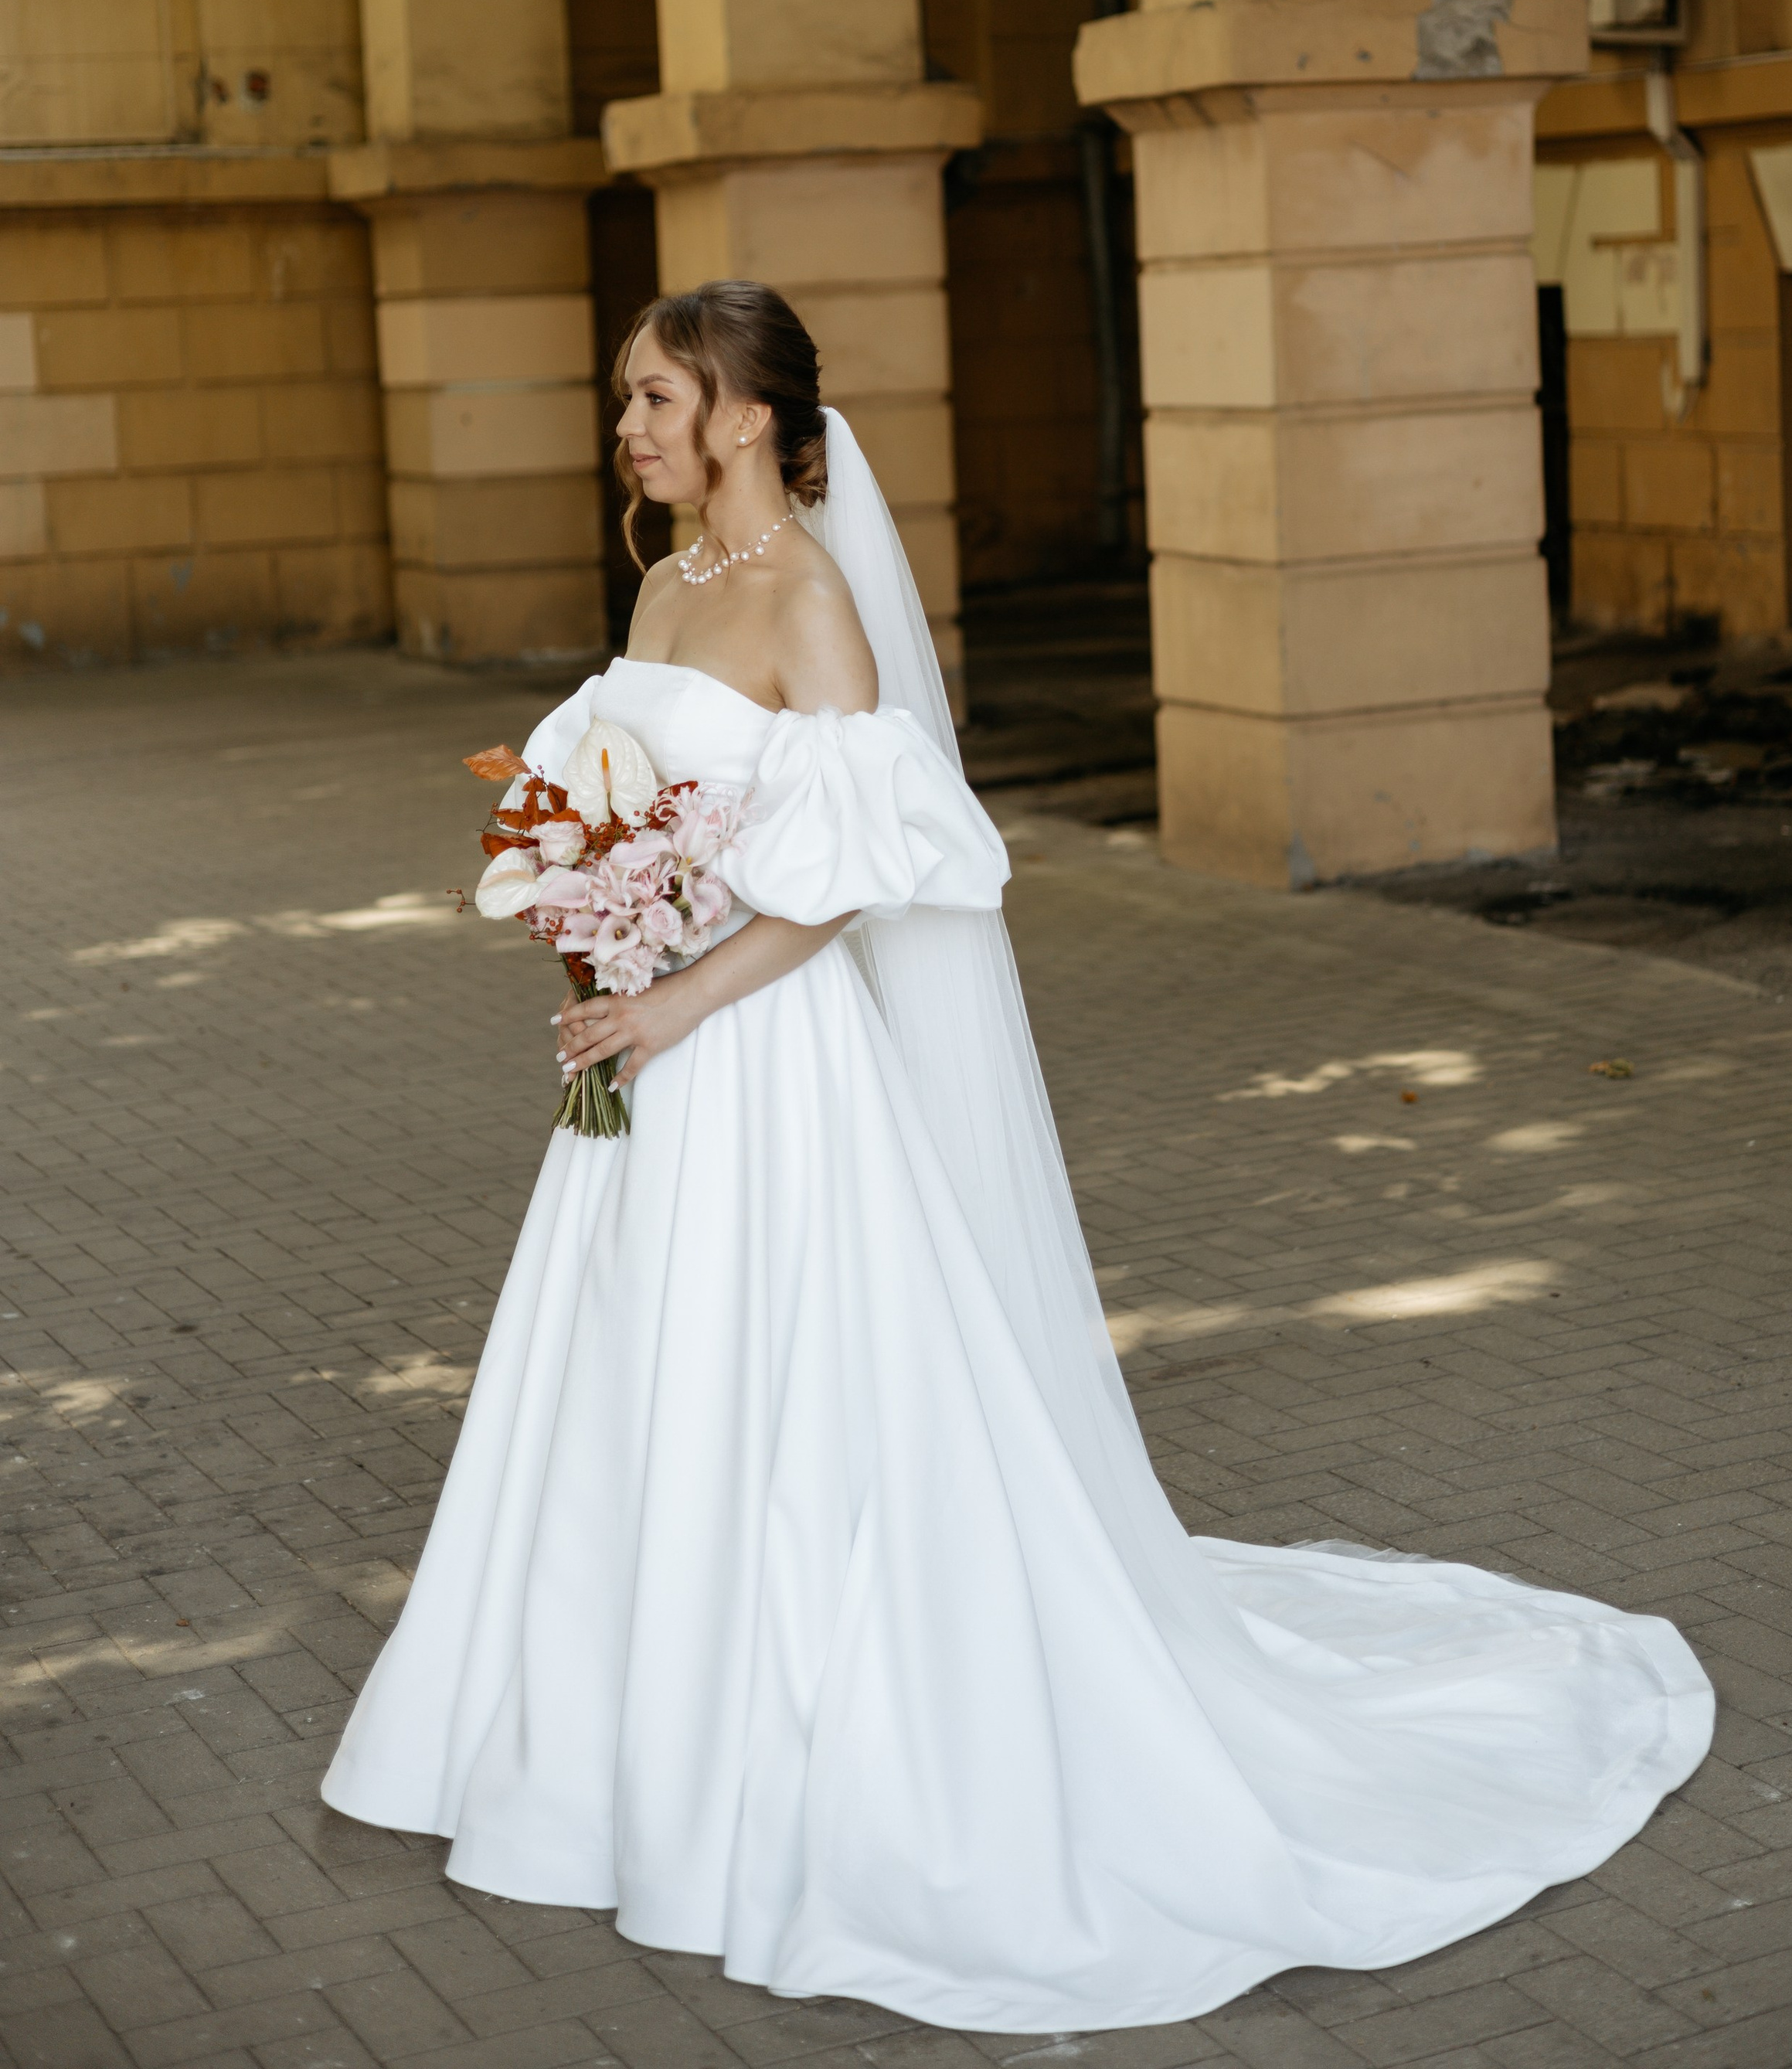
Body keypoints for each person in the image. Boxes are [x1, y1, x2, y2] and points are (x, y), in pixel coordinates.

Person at [321, 279, 1713, 2033]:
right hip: (654, 1053)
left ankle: (772, 1726)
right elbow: (643, 807)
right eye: (628, 399)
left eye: (657, 397)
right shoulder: (668, 584)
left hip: (756, 1059)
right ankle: (617, 1727)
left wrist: (673, 999)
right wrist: (601, 916)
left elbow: (844, 880)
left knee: (780, 1380)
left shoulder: (814, 606)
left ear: (747, 416)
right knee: (628, 1373)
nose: (630, 426)